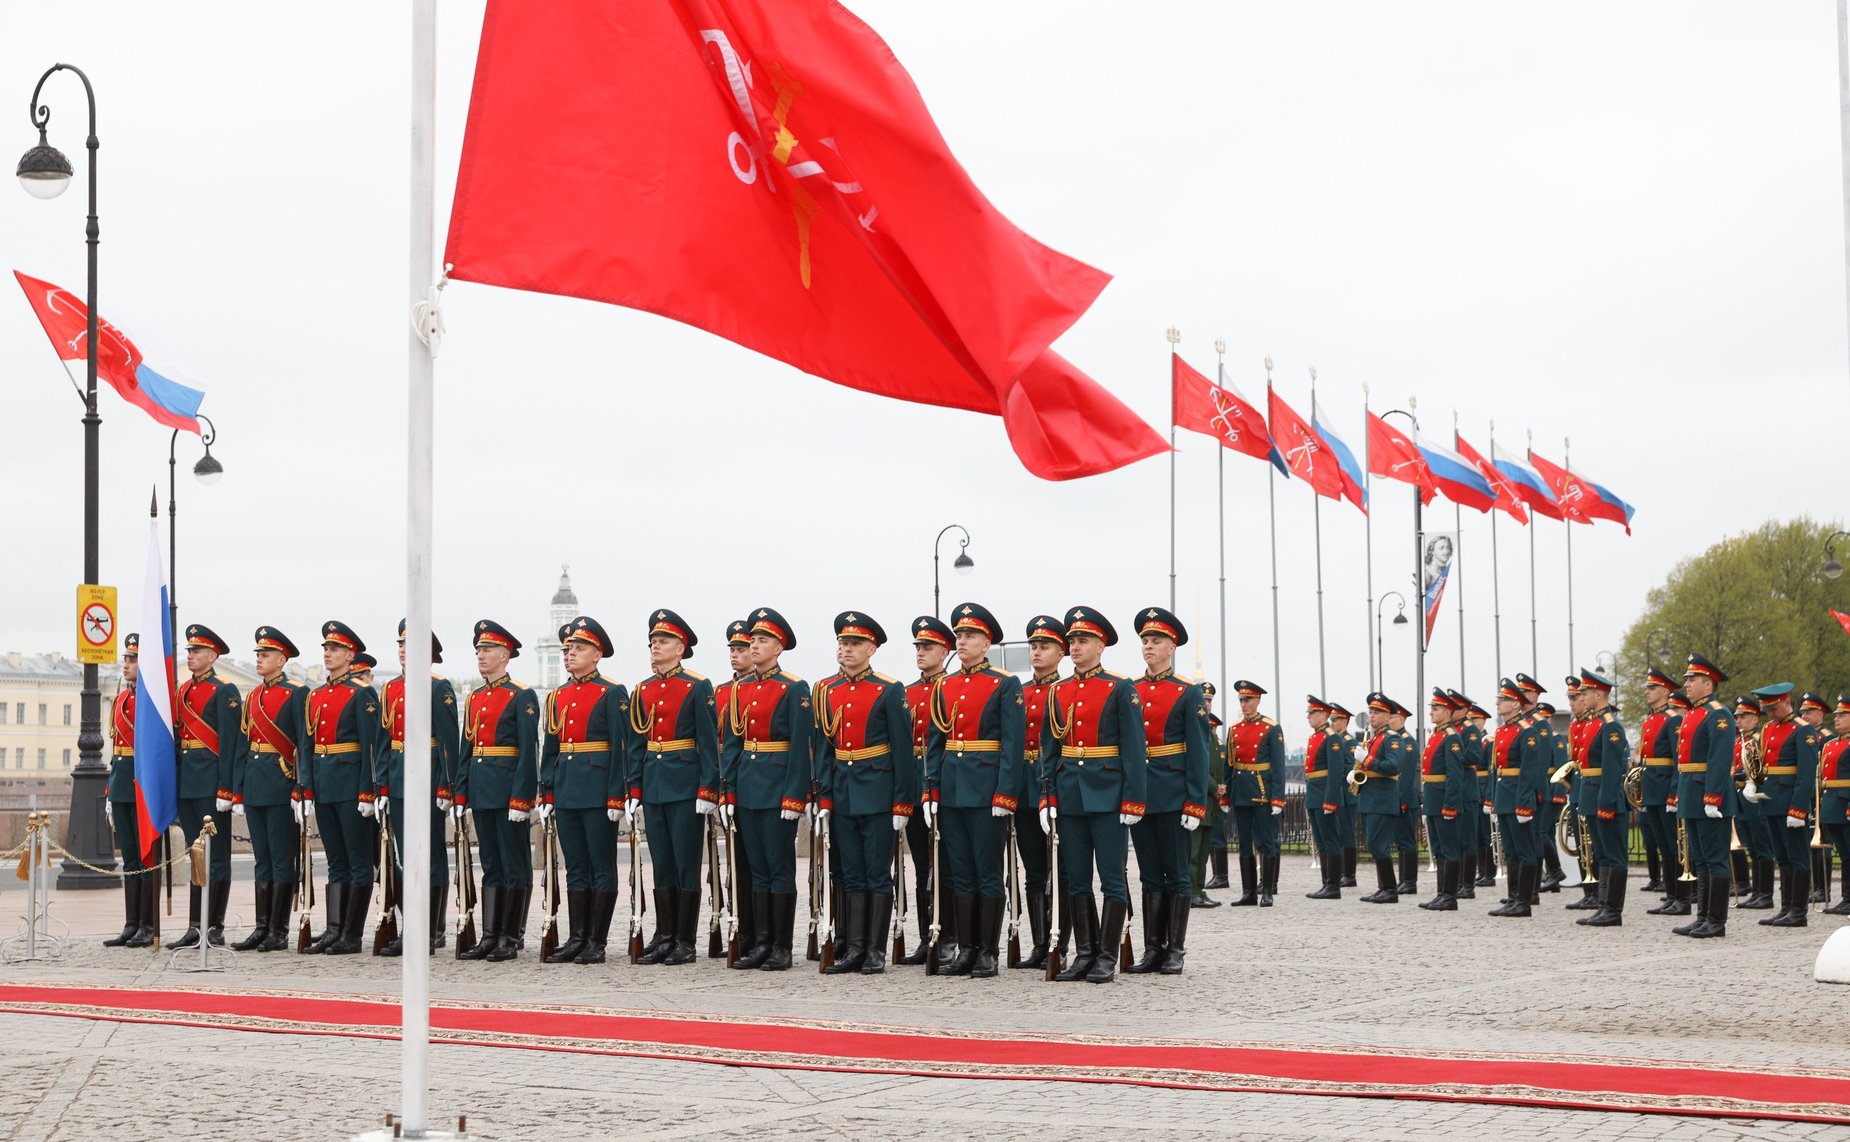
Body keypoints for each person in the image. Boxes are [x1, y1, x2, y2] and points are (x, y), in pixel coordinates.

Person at [1039, 606, 1146, 983]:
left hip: (1109, 795)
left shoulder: (1119, 688)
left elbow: (1134, 749)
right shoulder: (1059, 690)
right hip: (1070, 794)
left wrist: (1134, 799)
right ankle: (1083, 954)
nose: (1075, 646)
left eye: (1083, 640)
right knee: (1077, 879)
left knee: (1112, 879)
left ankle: (1106, 956)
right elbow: (1049, 750)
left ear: (1100, 645)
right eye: (1072, 641)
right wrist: (1046, 798)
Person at [924, 602, 1025, 978]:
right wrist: (930, 791)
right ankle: (966, 949)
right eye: (959, 636)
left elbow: (1013, 745)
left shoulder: (1004, 684)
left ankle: (987, 951)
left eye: (970, 636)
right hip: (952, 789)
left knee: (986, 873)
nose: (962, 642)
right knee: (960, 874)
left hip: (986, 790)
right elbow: (935, 742)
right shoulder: (944, 686)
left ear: (986, 643)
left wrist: (1005, 794)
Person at [814, 612, 917, 975]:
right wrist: (824, 798)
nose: (847, 649)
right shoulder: (828, 690)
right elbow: (825, 749)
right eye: (843, 643)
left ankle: (874, 950)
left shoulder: (889, 689)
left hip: (877, 790)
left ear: (871, 649)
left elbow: (903, 751)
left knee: (876, 874)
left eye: (855, 643)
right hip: (843, 792)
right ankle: (854, 949)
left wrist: (904, 801)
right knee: (852, 874)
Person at [626, 610, 719, 966]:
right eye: (652, 642)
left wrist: (708, 789)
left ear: (680, 648)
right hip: (654, 784)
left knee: (685, 864)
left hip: (685, 784)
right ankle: (664, 935)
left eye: (662, 642)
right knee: (661, 863)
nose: (655, 647)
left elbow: (707, 743)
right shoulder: (643, 690)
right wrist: (634, 788)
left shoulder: (696, 687)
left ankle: (685, 939)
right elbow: (636, 745)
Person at [534, 616, 629, 965]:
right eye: (568, 649)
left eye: (579, 648)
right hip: (568, 788)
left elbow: (622, 747)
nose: (570, 654)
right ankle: (577, 937)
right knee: (575, 867)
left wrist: (618, 794)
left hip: (598, 789)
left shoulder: (612, 692)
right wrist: (547, 791)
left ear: (597, 654)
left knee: (601, 865)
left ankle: (596, 941)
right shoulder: (558, 696)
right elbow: (552, 748)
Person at [723, 607, 812, 971]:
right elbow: (732, 743)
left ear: (778, 647)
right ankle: (760, 943)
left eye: (762, 641)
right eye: (752, 640)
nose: (754, 646)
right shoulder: (740, 688)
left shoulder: (793, 688)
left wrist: (795, 795)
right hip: (747, 786)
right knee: (756, 870)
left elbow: (799, 747)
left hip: (778, 788)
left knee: (778, 869)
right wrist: (727, 792)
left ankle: (781, 946)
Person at [1125, 607, 1209, 975]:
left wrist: (1195, 802)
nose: (1148, 646)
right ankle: (1153, 948)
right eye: (1145, 640)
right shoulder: (1131, 689)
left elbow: (1199, 752)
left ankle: (1175, 949)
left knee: (1176, 873)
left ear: (1172, 647)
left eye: (1156, 640)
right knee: (1148, 873)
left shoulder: (1188, 692)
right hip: (1142, 795)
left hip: (1174, 793)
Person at [454, 619, 541, 962]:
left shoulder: (521, 696)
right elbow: (467, 749)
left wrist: (522, 798)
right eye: (478, 650)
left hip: (507, 792)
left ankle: (511, 935)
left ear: (505, 655)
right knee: (490, 863)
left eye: (488, 650)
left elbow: (526, 751)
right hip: (481, 789)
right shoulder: (475, 697)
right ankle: (490, 934)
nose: (481, 655)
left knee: (514, 863)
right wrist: (461, 793)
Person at [298, 621, 381, 955]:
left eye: (334, 649)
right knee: (335, 861)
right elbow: (307, 745)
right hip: (324, 783)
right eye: (325, 649)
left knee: (358, 861)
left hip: (350, 786)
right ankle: (334, 929)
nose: (327, 654)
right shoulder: (316, 695)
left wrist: (367, 792)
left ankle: (352, 933)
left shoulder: (361, 694)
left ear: (350, 655)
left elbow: (370, 747)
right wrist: (305, 787)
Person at [234, 627, 310, 953]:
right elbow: (242, 745)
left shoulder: (297, 693)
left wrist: (301, 787)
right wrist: (237, 791)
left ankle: (279, 931)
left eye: (265, 655)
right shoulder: (252, 696)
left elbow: (304, 745)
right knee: (261, 860)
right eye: (257, 655)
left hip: (281, 783)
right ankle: (261, 927)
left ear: (282, 659)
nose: (259, 659)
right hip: (255, 784)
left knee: (281, 860)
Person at [173, 624, 247, 949]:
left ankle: (214, 925)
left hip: (212, 784)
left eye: (197, 651)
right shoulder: (182, 692)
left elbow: (231, 744)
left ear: (213, 656)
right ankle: (194, 925)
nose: (190, 656)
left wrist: (227, 789)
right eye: (189, 651)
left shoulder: (225, 691)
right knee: (196, 856)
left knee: (216, 857)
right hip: (188, 783)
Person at [897, 616, 954, 966]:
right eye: (918, 647)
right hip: (915, 786)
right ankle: (926, 935)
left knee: (945, 865)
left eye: (928, 647)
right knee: (921, 866)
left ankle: (947, 936)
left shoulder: (949, 688)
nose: (921, 652)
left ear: (944, 652)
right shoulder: (908, 692)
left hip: (945, 785)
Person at [1674, 654, 1737, 939]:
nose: (1687, 684)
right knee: (1700, 860)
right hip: (1691, 792)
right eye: (1687, 679)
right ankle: (1703, 917)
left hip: (1709, 794)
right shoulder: (1694, 712)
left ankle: (1716, 920)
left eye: (1692, 680)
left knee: (1715, 859)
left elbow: (1720, 758)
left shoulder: (1718, 714)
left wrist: (1712, 797)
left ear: (1708, 684)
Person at [1750, 683, 1821, 927]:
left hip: (1791, 803)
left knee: (1797, 857)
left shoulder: (1803, 730)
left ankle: (1798, 912)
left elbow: (1806, 773)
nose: (1769, 713)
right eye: (1766, 709)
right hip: (1771, 801)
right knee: (1782, 857)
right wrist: (1754, 786)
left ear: (1786, 701)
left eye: (1773, 708)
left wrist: (1798, 809)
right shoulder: (1768, 728)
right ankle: (1786, 908)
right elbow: (1762, 764)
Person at [1018, 616, 1067, 959]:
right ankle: (1038, 942)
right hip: (1024, 789)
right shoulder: (1018, 693)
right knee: (1034, 868)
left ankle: (1059, 941)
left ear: (1061, 652)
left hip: (1057, 787)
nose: (1036, 652)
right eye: (1033, 646)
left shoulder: (1064, 691)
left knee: (1061, 870)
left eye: (1044, 646)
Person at [104, 634, 155, 948]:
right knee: (130, 859)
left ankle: (148, 925)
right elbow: (116, 748)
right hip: (122, 784)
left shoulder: (151, 702)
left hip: (143, 786)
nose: (126, 664)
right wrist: (111, 790)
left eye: (133, 660)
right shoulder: (122, 699)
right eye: (125, 659)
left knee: (147, 858)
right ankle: (131, 923)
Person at [1575, 669, 1630, 927]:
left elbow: (1611, 769)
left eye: (1585, 692)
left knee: (1613, 855)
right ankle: (1603, 905)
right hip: (1591, 793)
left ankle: (1613, 910)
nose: (1581, 696)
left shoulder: (1610, 726)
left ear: (1599, 694)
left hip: (1605, 797)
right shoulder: (1592, 724)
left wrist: (1605, 803)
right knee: (1602, 854)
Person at [713, 619, 755, 957]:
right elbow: (717, 742)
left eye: (741, 649)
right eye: (734, 649)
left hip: (756, 782)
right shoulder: (723, 692)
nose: (737, 655)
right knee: (733, 865)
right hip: (731, 782)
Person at [1489, 678, 1547, 917]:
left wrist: (1524, 804)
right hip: (1504, 795)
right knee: (1510, 851)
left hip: (1517, 797)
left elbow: (1529, 770)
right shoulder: (1502, 730)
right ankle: (1513, 898)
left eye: (1504, 700)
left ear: (1516, 705)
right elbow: (1496, 769)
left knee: (1525, 850)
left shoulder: (1527, 731)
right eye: (1499, 698)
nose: (1498, 702)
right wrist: (1492, 799)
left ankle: (1524, 902)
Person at [1226, 680, 1284, 906]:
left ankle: (1267, 890)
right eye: (1241, 700)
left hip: (1262, 791)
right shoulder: (1234, 729)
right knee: (1244, 844)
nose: (1244, 704)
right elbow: (1229, 766)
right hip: (1241, 792)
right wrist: (1225, 795)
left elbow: (1278, 766)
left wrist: (1278, 797)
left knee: (1266, 843)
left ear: (1258, 700)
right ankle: (1248, 892)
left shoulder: (1271, 728)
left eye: (1248, 700)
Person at [1354, 694, 1408, 902]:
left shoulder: (1392, 739)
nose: (1372, 715)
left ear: (1387, 716)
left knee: (1378, 845)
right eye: (1371, 712)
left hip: (1383, 799)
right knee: (1373, 844)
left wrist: (1366, 760)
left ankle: (1390, 890)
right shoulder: (1374, 738)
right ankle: (1383, 887)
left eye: (1377, 712)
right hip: (1370, 797)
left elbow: (1393, 766)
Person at [1415, 690, 1465, 911]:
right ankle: (1441, 893)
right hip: (1434, 797)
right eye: (1431, 709)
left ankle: (1450, 896)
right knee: (1439, 849)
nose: (1431, 712)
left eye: (1435, 709)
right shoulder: (1437, 735)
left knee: (1449, 849)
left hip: (1444, 799)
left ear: (1447, 712)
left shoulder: (1451, 737)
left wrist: (1450, 804)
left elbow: (1455, 775)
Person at [1637, 667, 1681, 908]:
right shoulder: (1650, 720)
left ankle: (1680, 897)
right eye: (1647, 687)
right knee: (1663, 845)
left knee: (1673, 845)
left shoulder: (1672, 718)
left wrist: (1674, 793)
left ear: (1665, 691)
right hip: (1652, 787)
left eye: (1652, 688)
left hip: (1665, 787)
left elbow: (1677, 759)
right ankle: (1671, 895)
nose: (1647, 692)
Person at [1729, 696, 1776, 909]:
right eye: (1737, 716)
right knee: (1753, 848)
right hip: (1741, 797)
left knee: (1762, 847)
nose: (1738, 720)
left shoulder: (1758, 740)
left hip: (1755, 797)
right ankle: (1756, 892)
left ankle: (1765, 894)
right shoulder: (1739, 741)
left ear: (1755, 719)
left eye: (1744, 716)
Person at [1303, 696, 1347, 901]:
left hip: (1324, 794)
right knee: (1321, 841)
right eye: (1309, 713)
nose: (1309, 717)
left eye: (1312, 713)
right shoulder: (1315, 737)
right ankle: (1325, 883)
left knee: (1330, 841)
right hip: (1314, 792)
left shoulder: (1331, 737)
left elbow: (1335, 770)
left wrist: (1330, 800)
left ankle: (1333, 886)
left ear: (1323, 715)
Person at [1189, 683, 1228, 908]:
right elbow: (1197, 766)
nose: (1206, 704)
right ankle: (1191, 891)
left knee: (1203, 851)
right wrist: (1215, 787)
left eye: (1209, 701)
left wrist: (1218, 788)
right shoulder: (1196, 728)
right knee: (1193, 852)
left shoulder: (1209, 730)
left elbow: (1215, 766)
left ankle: (1199, 889)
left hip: (1210, 801)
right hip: (1198, 799)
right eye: (1203, 700)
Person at [1819, 695, 1850, 915]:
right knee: (1844, 852)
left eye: (1843, 715)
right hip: (1831, 803)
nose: (1837, 718)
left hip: (1846, 803)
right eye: (1837, 714)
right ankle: (1846, 898)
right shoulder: (1830, 745)